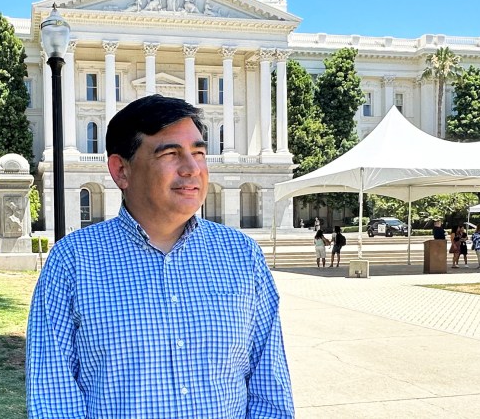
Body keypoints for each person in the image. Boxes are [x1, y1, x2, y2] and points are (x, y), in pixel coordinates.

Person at [26, 94, 294, 418]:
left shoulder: (243, 256)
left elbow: (270, 393)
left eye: (199, 153)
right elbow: (55, 401)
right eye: (171, 154)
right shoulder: (72, 263)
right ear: (121, 170)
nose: (192, 169)